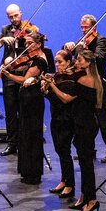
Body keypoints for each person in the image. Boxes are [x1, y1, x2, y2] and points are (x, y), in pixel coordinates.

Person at [42, 49, 103, 211]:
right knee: (83, 163)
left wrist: (51, 83)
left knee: (87, 165)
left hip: (86, 125)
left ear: (88, 63)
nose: (76, 63)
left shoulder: (84, 79)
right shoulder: (83, 77)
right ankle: (84, 196)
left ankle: (92, 200)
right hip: (81, 124)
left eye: (80, 60)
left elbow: (66, 98)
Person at [64, 14, 106, 163]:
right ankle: (89, 150)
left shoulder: (101, 40)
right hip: (84, 85)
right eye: (82, 27)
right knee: (87, 119)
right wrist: (68, 47)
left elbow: (98, 58)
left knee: (103, 120)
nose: (83, 30)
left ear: (93, 26)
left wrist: (82, 48)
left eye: (86, 27)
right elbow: (73, 60)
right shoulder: (81, 42)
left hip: (98, 84)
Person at [0, 32, 48, 185]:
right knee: (25, 135)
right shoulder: (32, 58)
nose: (26, 46)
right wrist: (9, 65)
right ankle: (27, 171)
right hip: (26, 99)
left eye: (29, 43)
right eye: (26, 43)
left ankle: (34, 173)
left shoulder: (40, 60)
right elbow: (21, 69)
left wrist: (8, 74)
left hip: (33, 100)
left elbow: (24, 79)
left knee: (32, 136)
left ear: (38, 44)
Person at [0, 3, 28, 155]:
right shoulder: (5, 30)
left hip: (24, 74)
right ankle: (12, 143)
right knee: (10, 111)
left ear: (21, 13)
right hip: (8, 74)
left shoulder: (30, 28)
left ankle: (24, 143)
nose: (14, 19)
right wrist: (1, 41)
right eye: (10, 17)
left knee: (23, 111)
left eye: (16, 16)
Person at [41, 49, 76, 199]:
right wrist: (45, 91)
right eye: (56, 61)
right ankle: (64, 180)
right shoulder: (58, 77)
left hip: (67, 119)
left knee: (64, 150)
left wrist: (51, 87)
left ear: (68, 62)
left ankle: (70, 185)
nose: (57, 64)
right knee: (59, 149)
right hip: (56, 117)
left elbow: (64, 99)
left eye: (60, 62)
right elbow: (54, 99)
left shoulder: (71, 79)